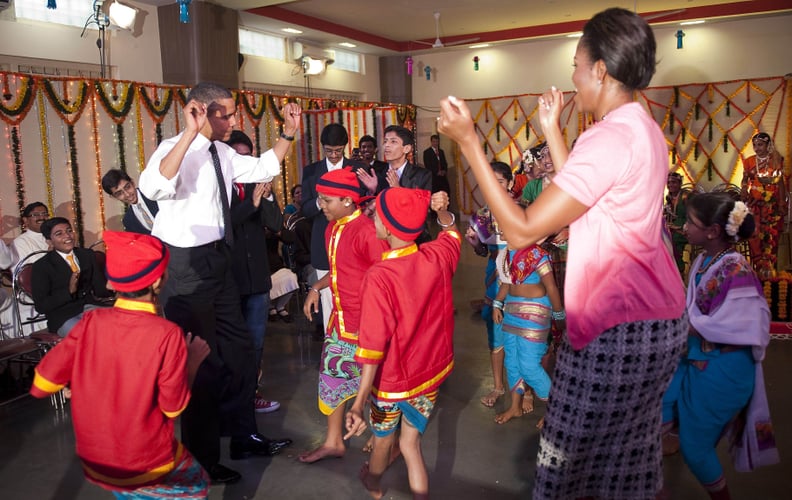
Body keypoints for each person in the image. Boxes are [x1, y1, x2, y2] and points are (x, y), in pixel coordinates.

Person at [438, 8, 687, 498]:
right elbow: (586, 196)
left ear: (600, 69)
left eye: (576, 64)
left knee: (562, 468)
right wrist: (552, 130)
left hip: (617, 326)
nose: (572, 76)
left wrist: (468, 142)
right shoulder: (643, 127)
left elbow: (524, 230)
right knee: (629, 464)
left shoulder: (609, 137)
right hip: (659, 319)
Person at [138, 82, 299, 484]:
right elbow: (153, 187)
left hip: (219, 261)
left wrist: (288, 134)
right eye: (223, 113)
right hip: (186, 268)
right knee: (201, 367)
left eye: (231, 112)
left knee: (242, 353)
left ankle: (243, 435)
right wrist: (190, 134)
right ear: (197, 110)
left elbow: (262, 167)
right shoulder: (174, 147)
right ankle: (201, 459)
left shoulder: (222, 152)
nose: (231, 120)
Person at [29, 230, 212, 499]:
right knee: (196, 487)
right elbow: (173, 409)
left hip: (96, 460)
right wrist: (192, 361)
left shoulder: (91, 323)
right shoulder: (166, 334)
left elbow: (42, 383)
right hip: (144, 462)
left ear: (113, 284)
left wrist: (78, 382)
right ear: (159, 281)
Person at [344, 188, 461, 500]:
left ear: (388, 226)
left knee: (383, 441)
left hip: (391, 383)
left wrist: (358, 402)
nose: (374, 219)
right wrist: (443, 213)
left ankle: (374, 484)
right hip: (429, 377)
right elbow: (451, 233)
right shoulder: (436, 256)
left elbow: (371, 347)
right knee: (410, 444)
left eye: (377, 215)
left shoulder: (380, 276)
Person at [662, 193, 772, 500]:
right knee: (658, 402)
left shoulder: (735, 269)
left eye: (690, 222)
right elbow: (694, 310)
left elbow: (746, 323)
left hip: (723, 367)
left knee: (696, 450)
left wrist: (681, 326)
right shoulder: (703, 260)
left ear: (711, 232)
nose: (683, 227)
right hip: (698, 356)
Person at [299, 167, 388, 464]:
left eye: (326, 201)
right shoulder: (332, 227)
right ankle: (334, 441)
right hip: (340, 323)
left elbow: (386, 276)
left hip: (368, 326)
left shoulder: (366, 231)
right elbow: (340, 272)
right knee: (331, 379)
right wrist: (316, 287)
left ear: (348, 201)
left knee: (379, 385)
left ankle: (384, 440)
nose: (320, 206)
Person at [225, 129, 282, 414]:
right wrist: (252, 204)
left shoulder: (259, 186)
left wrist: (269, 198)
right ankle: (234, 399)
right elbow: (226, 225)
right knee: (233, 344)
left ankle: (252, 393)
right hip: (231, 281)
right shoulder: (221, 190)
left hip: (258, 278)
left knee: (257, 342)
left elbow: (276, 224)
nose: (246, 164)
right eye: (239, 158)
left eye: (250, 158)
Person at [300, 123, 369, 333]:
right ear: (322, 147)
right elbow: (305, 208)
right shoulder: (312, 171)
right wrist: (320, 203)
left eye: (338, 151)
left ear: (345, 147)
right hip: (324, 243)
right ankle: (333, 346)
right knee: (329, 300)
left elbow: (365, 203)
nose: (333, 155)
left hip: (352, 242)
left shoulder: (358, 169)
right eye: (329, 151)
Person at [491, 238, 563, 426]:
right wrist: (497, 303)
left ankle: (555, 411)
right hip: (512, 311)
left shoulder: (537, 254)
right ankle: (516, 407)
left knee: (529, 366)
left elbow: (551, 287)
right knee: (512, 362)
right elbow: (507, 283)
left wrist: (559, 316)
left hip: (535, 311)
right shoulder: (506, 254)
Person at [465, 162, 510, 409]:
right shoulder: (482, 215)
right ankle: (498, 385)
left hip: (520, 276)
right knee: (496, 331)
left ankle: (522, 389)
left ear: (510, 184)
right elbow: (483, 250)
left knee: (520, 331)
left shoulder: (520, 209)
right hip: (495, 275)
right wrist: (474, 243)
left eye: (500, 182)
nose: (496, 187)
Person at [31, 217, 114, 336]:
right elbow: (41, 306)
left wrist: (116, 286)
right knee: (89, 335)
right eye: (59, 234)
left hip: (90, 307)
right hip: (63, 316)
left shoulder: (87, 255)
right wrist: (69, 291)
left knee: (121, 321)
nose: (67, 236)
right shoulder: (41, 266)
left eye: (69, 231)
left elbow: (100, 289)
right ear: (49, 241)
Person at [741, 132, 787, 278]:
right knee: (754, 235)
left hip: (771, 206)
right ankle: (758, 269)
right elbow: (745, 180)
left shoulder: (776, 160)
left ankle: (770, 269)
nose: (756, 148)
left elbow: (780, 183)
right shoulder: (748, 161)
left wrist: (781, 203)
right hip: (755, 205)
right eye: (754, 145)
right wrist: (743, 189)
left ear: (768, 145)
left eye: (760, 145)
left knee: (771, 236)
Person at [381, 125, 433, 243]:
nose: (387, 145)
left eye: (393, 141)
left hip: (414, 239)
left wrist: (398, 190)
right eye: (385, 141)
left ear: (406, 148)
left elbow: (422, 209)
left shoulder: (422, 175)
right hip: (384, 240)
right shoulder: (377, 173)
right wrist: (372, 189)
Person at [101, 169, 159, 235]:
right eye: (119, 193)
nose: (127, 194)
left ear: (132, 183)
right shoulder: (128, 221)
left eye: (127, 187)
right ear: (114, 197)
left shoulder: (153, 194)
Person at [664, 171, 690, 275]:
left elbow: (692, 214)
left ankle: (679, 270)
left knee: (672, 240)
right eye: (669, 183)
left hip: (685, 227)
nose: (670, 185)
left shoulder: (686, 196)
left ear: (680, 184)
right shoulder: (669, 197)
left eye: (674, 182)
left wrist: (682, 226)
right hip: (672, 226)